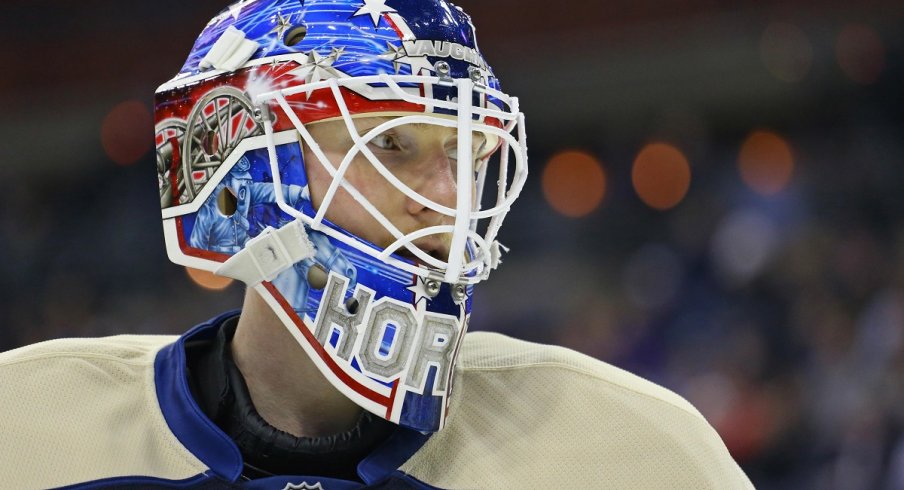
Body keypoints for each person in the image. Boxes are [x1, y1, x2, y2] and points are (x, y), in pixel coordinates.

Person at [0, 0, 754, 488]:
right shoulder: (24, 423)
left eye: (466, 155)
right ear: (237, 161)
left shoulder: (640, 453)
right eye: (394, 143)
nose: (451, 200)